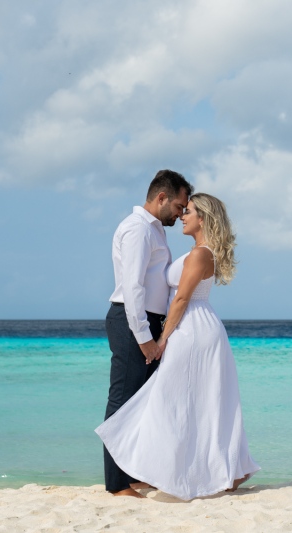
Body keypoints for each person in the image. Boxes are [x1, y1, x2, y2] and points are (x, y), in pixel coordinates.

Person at [96, 193, 260, 501]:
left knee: (174, 401)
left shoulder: (200, 255)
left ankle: (201, 471)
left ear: (204, 219)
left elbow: (182, 299)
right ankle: (205, 470)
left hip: (192, 329)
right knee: (188, 401)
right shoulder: (197, 251)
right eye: (183, 210)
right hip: (192, 326)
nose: (183, 216)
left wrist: (160, 340)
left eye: (190, 211)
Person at [103, 169, 193, 498]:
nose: (182, 213)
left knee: (144, 403)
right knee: (122, 401)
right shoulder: (138, 229)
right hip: (132, 321)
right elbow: (133, 288)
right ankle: (116, 485)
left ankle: (133, 474)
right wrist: (144, 338)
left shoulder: (156, 231)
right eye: (180, 206)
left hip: (148, 322)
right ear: (161, 198)